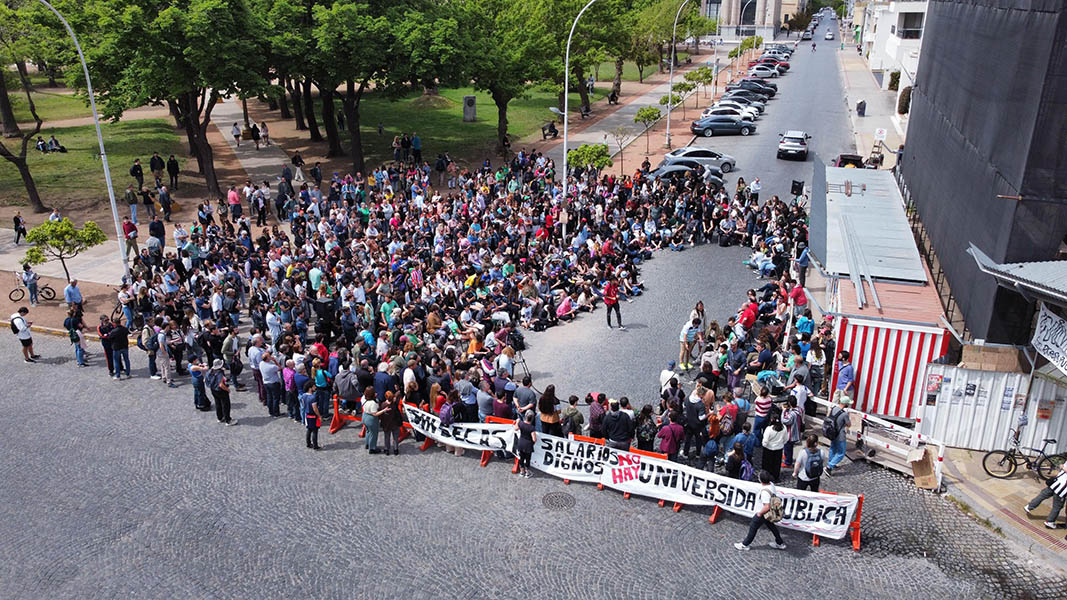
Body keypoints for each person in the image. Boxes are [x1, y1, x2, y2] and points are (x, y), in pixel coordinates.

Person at [734, 469, 787, 551]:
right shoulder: (771, 485)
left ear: (761, 480)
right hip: (769, 513)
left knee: (753, 527)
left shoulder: (765, 492)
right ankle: (780, 543)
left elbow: (767, 506)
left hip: (763, 513)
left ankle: (745, 544)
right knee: (772, 526)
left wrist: (759, 513)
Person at [1024, 462, 1067, 529]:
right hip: (1062, 489)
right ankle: (1050, 522)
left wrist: (1063, 467)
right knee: (1057, 506)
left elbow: (1062, 466)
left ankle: (1029, 506)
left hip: (1055, 482)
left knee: (1043, 495)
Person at [825, 392, 851, 475]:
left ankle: (831, 462)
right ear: (845, 404)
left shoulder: (834, 408)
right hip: (840, 435)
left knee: (833, 448)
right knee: (841, 453)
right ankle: (829, 466)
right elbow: (849, 424)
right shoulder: (844, 414)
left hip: (832, 433)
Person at [207, 359, 236, 425]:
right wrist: (227, 389)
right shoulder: (219, 373)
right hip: (221, 391)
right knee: (225, 405)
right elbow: (221, 385)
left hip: (213, 389)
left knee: (218, 403)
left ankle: (220, 417)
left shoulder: (210, 371)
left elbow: (205, 380)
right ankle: (228, 420)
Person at [761, 415, 787, 481]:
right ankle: (776, 477)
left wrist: (765, 446)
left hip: (768, 449)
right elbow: (785, 439)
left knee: (767, 464)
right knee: (777, 464)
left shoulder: (769, 429)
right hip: (779, 448)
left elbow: (765, 441)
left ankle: (766, 478)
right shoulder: (784, 428)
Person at [515, 411, 537, 478]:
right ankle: (527, 472)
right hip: (528, 445)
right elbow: (534, 439)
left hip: (521, 443)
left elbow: (516, 428)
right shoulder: (532, 428)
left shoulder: (521, 424)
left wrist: (517, 422)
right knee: (527, 459)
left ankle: (522, 471)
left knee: (521, 458)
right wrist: (533, 443)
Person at [301, 383, 322, 450]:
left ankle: (308, 443)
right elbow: (315, 408)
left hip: (307, 414)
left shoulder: (303, 395)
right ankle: (315, 445)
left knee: (309, 430)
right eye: (314, 386)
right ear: (310, 388)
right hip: (313, 415)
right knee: (315, 431)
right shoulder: (313, 397)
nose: (315, 387)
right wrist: (319, 416)